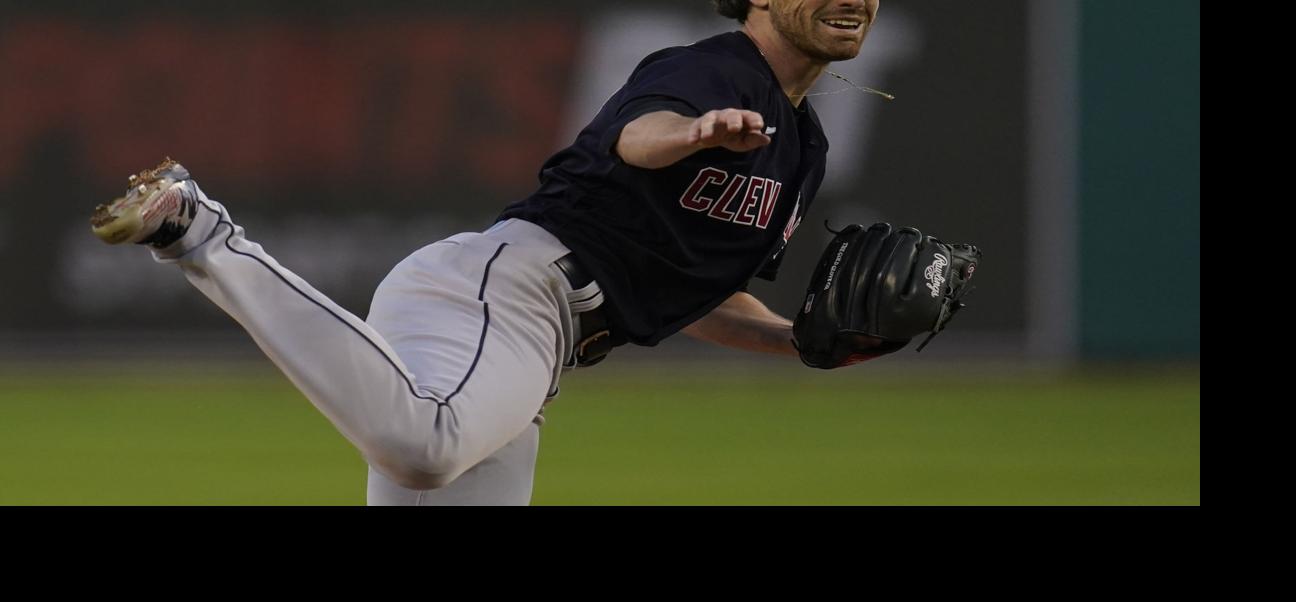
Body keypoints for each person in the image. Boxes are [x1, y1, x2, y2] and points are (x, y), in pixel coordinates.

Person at [89, 0, 883, 506]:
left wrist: (800, 344)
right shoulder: (710, 70)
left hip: (535, 343)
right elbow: (637, 137)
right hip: (504, 294)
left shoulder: (802, 149)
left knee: (425, 458)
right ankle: (202, 231)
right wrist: (695, 133)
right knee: (422, 448)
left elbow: (700, 294)